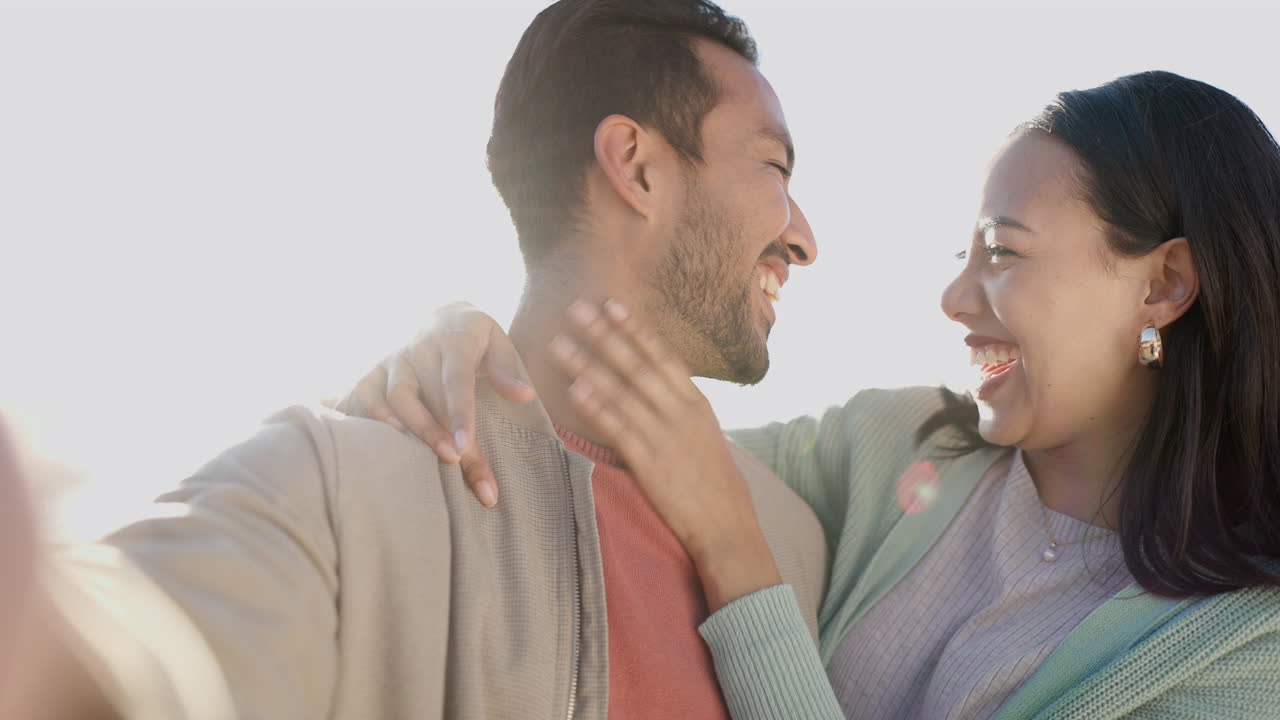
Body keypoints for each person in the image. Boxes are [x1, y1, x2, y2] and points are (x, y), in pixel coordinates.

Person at [352, 70, 1280, 719]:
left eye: (1002, 252)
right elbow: (618, 443)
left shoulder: (1245, 653)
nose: (955, 298)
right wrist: (467, 339)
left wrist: (735, 552)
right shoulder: (895, 445)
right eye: (962, 255)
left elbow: (713, 500)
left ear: (1163, 286)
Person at [0, 1, 831, 718]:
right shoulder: (342, 484)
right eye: (774, 167)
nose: (803, 239)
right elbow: (134, 640)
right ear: (637, 167)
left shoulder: (794, 543)